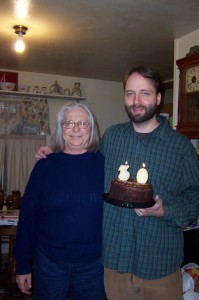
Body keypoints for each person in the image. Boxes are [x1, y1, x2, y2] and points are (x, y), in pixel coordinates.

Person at [35, 66, 199, 300]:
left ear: (159, 98)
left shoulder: (180, 146)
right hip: (114, 267)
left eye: (145, 93)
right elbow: (84, 156)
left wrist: (166, 210)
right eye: (130, 93)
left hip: (159, 267)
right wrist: (55, 150)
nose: (136, 100)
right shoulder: (112, 137)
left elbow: (195, 195)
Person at [14, 102, 105, 300]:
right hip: (49, 263)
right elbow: (28, 217)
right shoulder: (44, 167)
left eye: (82, 123)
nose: (75, 129)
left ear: (91, 128)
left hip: (93, 265)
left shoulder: (105, 165)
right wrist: (22, 264)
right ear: (60, 129)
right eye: (68, 123)